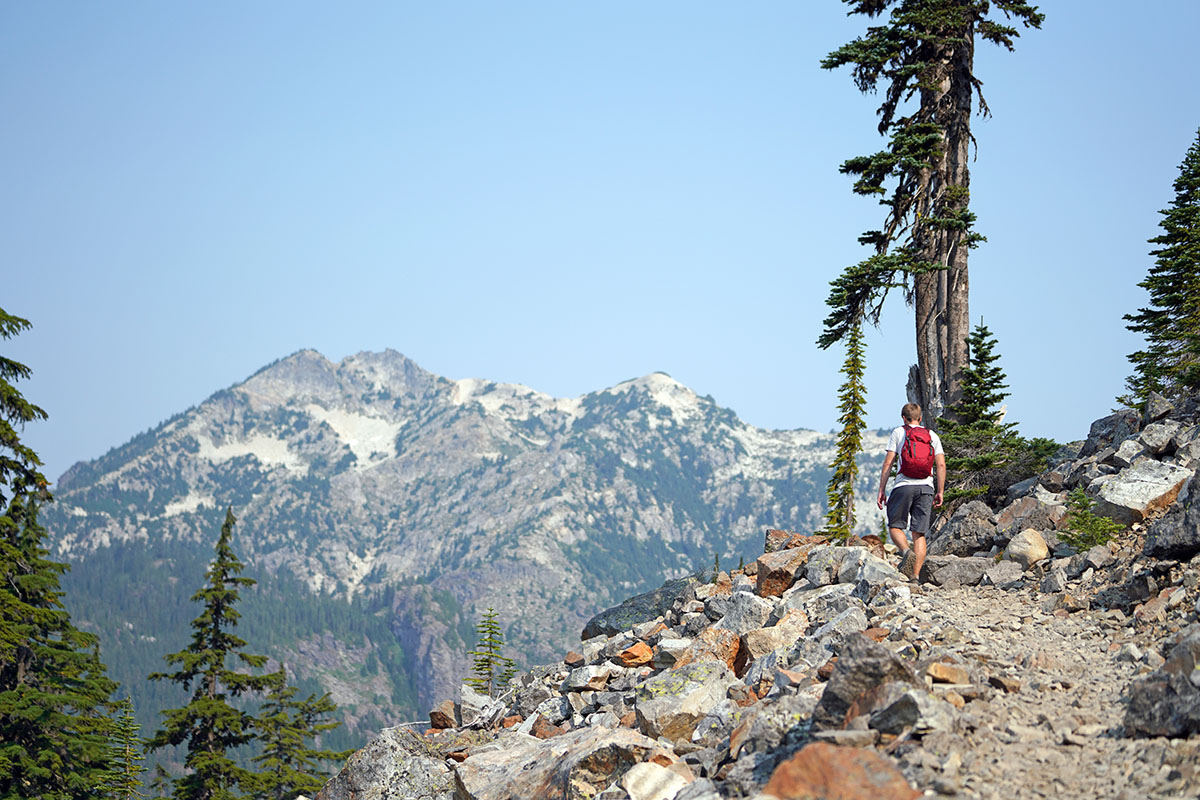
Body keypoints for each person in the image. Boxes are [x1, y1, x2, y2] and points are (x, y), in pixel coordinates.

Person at [877, 403, 946, 582]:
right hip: (926, 487)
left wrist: (882, 490)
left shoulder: (898, 433)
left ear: (903, 418)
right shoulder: (932, 435)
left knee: (895, 525)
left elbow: (888, 463)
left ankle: (906, 552)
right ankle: (915, 576)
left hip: (903, 485)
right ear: (920, 418)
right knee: (919, 533)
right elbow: (940, 464)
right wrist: (940, 491)